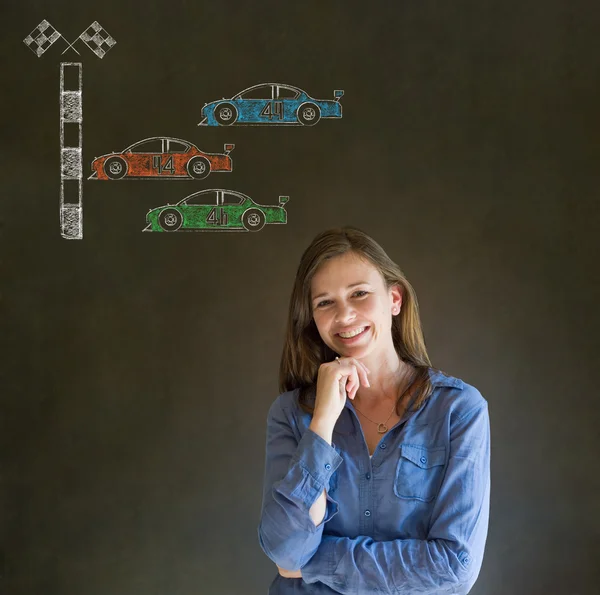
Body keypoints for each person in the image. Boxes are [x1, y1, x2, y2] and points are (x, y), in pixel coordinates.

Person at [257, 227, 491, 594]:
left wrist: (313, 563)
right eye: (325, 302)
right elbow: (286, 548)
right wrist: (322, 423)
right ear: (312, 318)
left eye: (359, 294)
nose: (345, 315)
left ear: (394, 299)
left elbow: (455, 566)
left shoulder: (458, 410)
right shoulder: (290, 413)